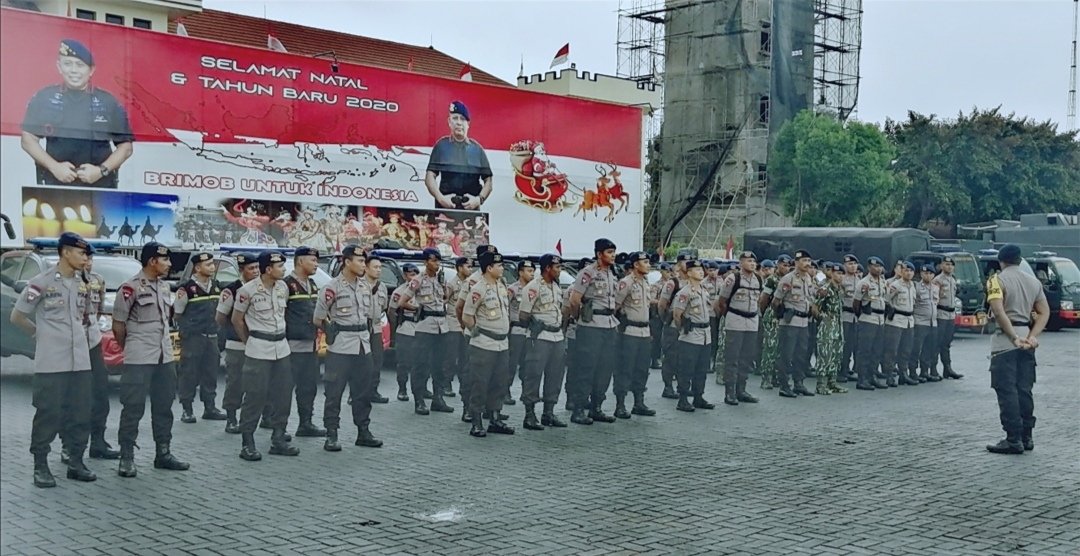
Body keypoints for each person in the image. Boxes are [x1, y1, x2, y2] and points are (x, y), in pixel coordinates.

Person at [10, 232, 96, 487]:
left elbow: (86, 317)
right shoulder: (41, 282)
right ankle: (41, 465)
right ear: (65, 252)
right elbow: (17, 316)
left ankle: (76, 461)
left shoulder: (84, 283)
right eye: (81, 253)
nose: (85, 258)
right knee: (48, 414)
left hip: (80, 361)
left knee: (81, 413)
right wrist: (39, 334)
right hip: (52, 363)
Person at [112, 242, 189, 477]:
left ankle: (163, 453)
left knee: (164, 406)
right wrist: (131, 348)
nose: (169, 264)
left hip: (164, 356)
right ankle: (126, 456)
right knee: (133, 407)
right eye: (164, 260)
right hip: (139, 358)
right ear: (152, 261)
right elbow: (118, 326)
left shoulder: (164, 287)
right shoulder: (130, 288)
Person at [21, 40, 133, 188]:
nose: (74, 70)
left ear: (91, 70)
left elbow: (126, 147)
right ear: (59, 66)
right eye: (68, 64)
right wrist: (54, 167)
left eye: (80, 65)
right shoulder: (44, 97)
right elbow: (27, 139)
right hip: (55, 185)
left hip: (100, 186)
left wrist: (101, 171)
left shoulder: (108, 101)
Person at [231, 251, 299, 461]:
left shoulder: (283, 287)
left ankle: (278, 438)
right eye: (280, 266)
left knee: (283, 394)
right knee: (255, 395)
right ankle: (247, 442)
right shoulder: (247, 290)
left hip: (282, 348)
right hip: (259, 348)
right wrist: (249, 341)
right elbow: (237, 319)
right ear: (268, 269)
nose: (284, 270)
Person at [315, 247, 383, 451]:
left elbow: (370, 316)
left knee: (363, 392)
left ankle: (363, 431)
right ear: (347, 262)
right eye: (360, 261)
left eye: (364, 261)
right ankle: (332, 434)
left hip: (363, 345)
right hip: (341, 348)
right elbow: (318, 318)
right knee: (334, 393)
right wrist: (331, 332)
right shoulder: (331, 287)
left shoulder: (365, 286)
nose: (363, 265)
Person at [983, 245, 1049, 454]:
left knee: (1007, 390)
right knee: (1024, 389)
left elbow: (998, 311)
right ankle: (1027, 437)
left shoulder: (996, 280)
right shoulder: (1034, 282)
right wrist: (1032, 336)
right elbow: (1044, 312)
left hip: (1005, 341)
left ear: (1001, 261)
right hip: (1027, 339)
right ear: (1020, 261)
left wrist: (1013, 337)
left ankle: (1013, 439)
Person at [565, 239, 621, 425]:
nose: (613, 255)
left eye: (613, 252)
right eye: (609, 252)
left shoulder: (612, 273)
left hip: (609, 325)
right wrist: (580, 318)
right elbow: (575, 300)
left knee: (605, 369)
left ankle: (596, 407)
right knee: (586, 368)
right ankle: (579, 409)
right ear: (599, 254)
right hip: (591, 326)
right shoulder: (588, 272)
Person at [461, 251, 514, 436]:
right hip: (484, 344)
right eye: (499, 266)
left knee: (499, 383)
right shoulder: (478, 288)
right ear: (489, 268)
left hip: (502, 344)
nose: (502, 268)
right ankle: (476, 422)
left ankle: (495, 419)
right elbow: (467, 316)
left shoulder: (501, 286)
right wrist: (475, 332)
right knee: (480, 383)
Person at [396, 248, 454, 415]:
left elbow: (445, 299)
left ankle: (438, 398)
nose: (437, 264)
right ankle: (419, 400)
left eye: (438, 260)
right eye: (433, 260)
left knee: (439, 365)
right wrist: (417, 309)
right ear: (426, 262)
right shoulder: (418, 280)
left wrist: (445, 289)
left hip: (442, 326)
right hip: (425, 327)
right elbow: (402, 302)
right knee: (421, 365)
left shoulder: (441, 279)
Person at [175, 252, 227, 424]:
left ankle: (210, 407)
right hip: (193, 338)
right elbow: (177, 314)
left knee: (211, 373)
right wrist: (187, 330)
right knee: (189, 373)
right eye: (208, 264)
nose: (212, 267)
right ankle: (187, 409)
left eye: (213, 264)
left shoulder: (216, 287)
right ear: (197, 268)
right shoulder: (186, 289)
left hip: (212, 337)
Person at [518, 254, 569, 429]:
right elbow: (523, 315)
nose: (559, 270)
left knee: (555, 375)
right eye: (557, 267)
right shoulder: (533, 287)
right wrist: (534, 327)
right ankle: (529, 414)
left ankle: (549, 412)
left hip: (557, 336)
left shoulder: (556, 286)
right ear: (547, 268)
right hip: (540, 337)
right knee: (533, 375)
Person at [79, 250, 120, 460]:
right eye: (84, 257)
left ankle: (98, 442)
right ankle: (70, 446)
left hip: (93, 342)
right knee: (74, 397)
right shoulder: (62, 281)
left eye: (90, 258)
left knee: (100, 395)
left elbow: (99, 311)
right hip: (71, 345)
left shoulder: (98, 280)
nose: (88, 262)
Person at [283, 247, 326, 438]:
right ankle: (278, 427)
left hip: (310, 346)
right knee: (284, 389)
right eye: (313, 260)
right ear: (300, 261)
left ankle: (305, 424)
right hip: (290, 348)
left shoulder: (312, 284)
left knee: (308, 387)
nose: (316, 264)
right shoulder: (286, 285)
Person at [217, 252, 259, 433]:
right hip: (237, 345)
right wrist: (234, 330)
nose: (256, 271)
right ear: (242, 270)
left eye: (257, 268)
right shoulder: (231, 291)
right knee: (236, 382)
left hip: (258, 344)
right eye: (251, 268)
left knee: (259, 382)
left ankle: (261, 417)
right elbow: (220, 317)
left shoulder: (261, 288)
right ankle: (231, 418)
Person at [425, 101, 493, 210]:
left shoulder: (477, 149)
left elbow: (488, 181)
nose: (459, 123)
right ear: (449, 121)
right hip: (445, 208)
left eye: (462, 119)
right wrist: (440, 198)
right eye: (455, 118)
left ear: (468, 124)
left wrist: (479, 199)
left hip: (471, 210)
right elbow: (430, 176)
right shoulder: (441, 146)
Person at [717, 251, 763, 405]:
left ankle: (741, 390)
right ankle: (729, 392)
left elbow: (759, 300)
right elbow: (722, 301)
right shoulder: (733, 278)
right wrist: (729, 315)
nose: (752, 264)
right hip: (735, 320)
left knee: (746, 358)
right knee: (732, 357)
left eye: (754, 261)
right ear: (741, 263)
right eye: (748, 261)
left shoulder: (758, 279)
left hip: (752, 321)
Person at [613, 251, 655, 419]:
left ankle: (639, 402)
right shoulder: (626, 283)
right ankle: (620, 405)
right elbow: (615, 307)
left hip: (644, 331)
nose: (648, 265)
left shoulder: (645, 282)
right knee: (625, 368)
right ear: (636, 265)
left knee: (642, 369)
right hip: (629, 331)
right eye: (645, 262)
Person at [670, 259, 715, 411]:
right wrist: (683, 330)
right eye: (697, 270)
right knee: (686, 369)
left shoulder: (704, 291)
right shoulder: (685, 293)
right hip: (690, 335)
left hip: (705, 335)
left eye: (701, 269)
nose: (701, 272)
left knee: (701, 369)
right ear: (689, 273)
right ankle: (682, 399)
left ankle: (698, 397)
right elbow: (677, 315)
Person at [772, 250, 818, 398]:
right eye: (804, 261)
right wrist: (781, 316)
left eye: (809, 261)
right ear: (796, 262)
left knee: (801, 355)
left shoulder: (808, 278)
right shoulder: (788, 279)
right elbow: (776, 301)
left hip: (804, 322)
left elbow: (810, 299)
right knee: (787, 355)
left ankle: (799, 383)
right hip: (790, 322)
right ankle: (784, 386)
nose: (807, 264)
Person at [657, 254, 690, 399]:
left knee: (685, 358)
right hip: (673, 325)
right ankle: (668, 387)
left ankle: (683, 386)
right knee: (671, 356)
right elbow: (662, 305)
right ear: (678, 264)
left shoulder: (693, 282)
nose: (687, 264)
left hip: (688, 326)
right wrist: (666, 320)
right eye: (684, 261)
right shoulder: (673, 283)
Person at [854, 257, 889, 391]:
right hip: (868, 319)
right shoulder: (864, 283)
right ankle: (862, 379)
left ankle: (872, 376)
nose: (878, 269)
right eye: (875, 267)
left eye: (880, 266)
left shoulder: (882, 282)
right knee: (865, 350)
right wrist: (862, 315)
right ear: (869, 268)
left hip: (880, 319)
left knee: (877, 350)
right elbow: (856, 303)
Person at [814, 262, 849, 395]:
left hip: (838, 326)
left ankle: (832, 382)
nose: (840, 276)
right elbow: (815, 307)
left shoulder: (840, 290)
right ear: (832, 274)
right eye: (837, 273)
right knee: (825, 355)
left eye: (842, 274)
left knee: (836, 355)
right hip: (827, 327)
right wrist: (822, 318)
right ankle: (821, 384)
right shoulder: (825, 289)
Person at [758, 255, 791, 390]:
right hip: (772, 315)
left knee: (780, 349)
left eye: (788, 266)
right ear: (777, 265)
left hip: (784, 316)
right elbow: (763, 299)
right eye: (783, 265)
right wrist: (765, 313)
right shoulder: (772, 280)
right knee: (770, 347)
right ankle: (766, 378)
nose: (786, 268)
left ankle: (776, 376)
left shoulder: (790, 279)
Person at [882, 261, 918, 387]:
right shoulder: (895, 285)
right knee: (892, 350)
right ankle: (889, 375)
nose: (909, 273)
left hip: (909, 321)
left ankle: (903, 374)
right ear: (901, 271)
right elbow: (886, 300)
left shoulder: (913, 285)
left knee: (906, 350)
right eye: (906, 270)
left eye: (911, 271)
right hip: (896, 320)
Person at [444, 256, 473, 410]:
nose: (470, 269)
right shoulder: (452, 284)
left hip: (465, 325)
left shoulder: (472, 284)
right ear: (460, 268)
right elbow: (444, 300)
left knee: (464, 356)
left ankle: (463, 382)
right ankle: (447, 383)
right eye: (468, 266)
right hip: (453, 323)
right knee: (451, 356)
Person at [389, 264, 421, 402]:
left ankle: (421, 389)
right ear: (404, 276)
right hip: (406, 329)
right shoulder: (399, 292)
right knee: (403, 362)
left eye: (416, 274)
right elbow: (392, 312)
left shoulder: (422, 290)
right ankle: (402, 389)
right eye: (411, 274)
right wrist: (394, 333)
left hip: (421, 329)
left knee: (421, 362)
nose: (414, 277)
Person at [506, 260, 535, 406]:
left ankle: (526, 392)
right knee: (511, 363)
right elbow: (504, 307)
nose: (532, 274)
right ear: (520, 272)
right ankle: (505, 391)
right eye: (529, 271)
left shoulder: (534, 289)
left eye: (533, 271)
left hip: (529, 331)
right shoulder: (512, 289)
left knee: (528, 364)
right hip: (516, 330)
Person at [364, 257, 391, 404]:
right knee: (362, 362)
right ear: (366, 268)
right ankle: (357, 393)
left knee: (377, 361)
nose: (379, 270)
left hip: (376, 327)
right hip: (362, 328)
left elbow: (383, 307)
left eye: (380, 267)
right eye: (375, 267)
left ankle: (373, 391)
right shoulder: (359, 285)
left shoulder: (382, 287)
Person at [932, 257, 964, 380]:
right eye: (946, 264)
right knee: (936, 343)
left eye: (951, 265)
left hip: (951, 314)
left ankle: (947, 368)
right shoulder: (937, 280)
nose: (949, 267)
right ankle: (933, 369)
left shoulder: (953, 279)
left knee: (946, 343)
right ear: (941, 266)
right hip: (941, 313)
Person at [911, 265, 941, 383]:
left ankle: (924, 371)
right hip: (920, 322)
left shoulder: (936, 288)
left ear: (933, 275)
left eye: (930, 273)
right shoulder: (916, 287)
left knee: (929, 349)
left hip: (933, 323)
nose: (927, 275)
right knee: (916, 349)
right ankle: (912, 372)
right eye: (925, 273)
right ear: (921, 274)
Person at [839, 254, 861, 383]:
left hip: (856, 317)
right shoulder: (841, 279)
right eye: (849, 264)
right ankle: (841, 370)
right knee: (844, 345)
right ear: (844, 266)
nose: (852, 266)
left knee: (853, 345)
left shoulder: (859, 280)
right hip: (845, 316)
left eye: (854, 264)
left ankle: (848, 369)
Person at [649, 262, 671, 369]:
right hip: (658, 314)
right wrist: (662, 302)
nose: (669, 273)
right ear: (661, 272)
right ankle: (654, 360)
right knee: (656, 338)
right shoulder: (656, 285)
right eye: (666, 271)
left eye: (670, 271)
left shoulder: (673, 284)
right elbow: (651, 300)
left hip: (669, 314)